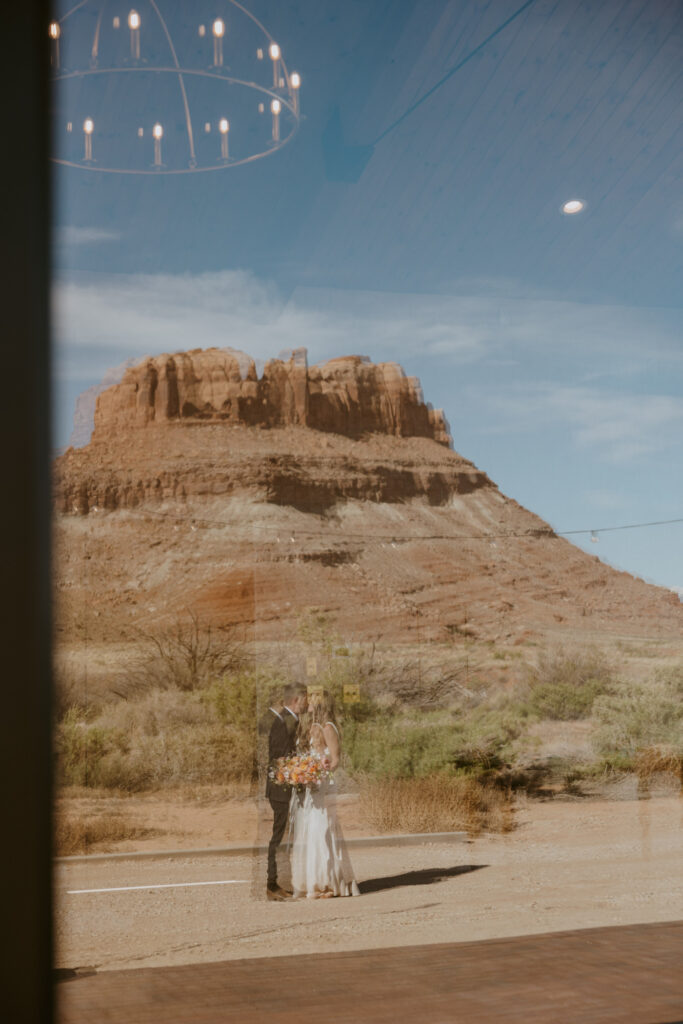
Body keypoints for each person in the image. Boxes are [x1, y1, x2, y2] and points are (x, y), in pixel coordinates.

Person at [290, 689, 360, 899]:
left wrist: (319, 771)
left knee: (323, 831)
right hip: (312, 786)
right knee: (312, 832)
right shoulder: (313, 728)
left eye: (311, 700)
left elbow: (336, 759)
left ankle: (329, 881)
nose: (307, 703)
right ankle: (315, 881)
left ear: (320, 704)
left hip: (323, 786)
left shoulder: (328, 727)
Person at [265, 682, 308, 901]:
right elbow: (279, 758)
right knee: (279, 836)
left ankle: (278, 881)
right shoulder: (282, 722)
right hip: (280, 789)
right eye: (304, 700)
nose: (306, 704)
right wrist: (299, 771)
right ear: (295, 700)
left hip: (284, 787)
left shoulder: (288, 720)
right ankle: (271, 883)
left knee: (283, 836)